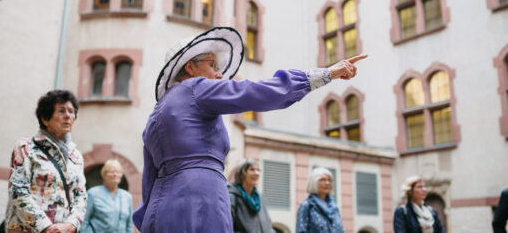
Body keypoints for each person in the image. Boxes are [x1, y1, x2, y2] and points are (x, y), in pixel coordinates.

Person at [132, 27, 367, 231]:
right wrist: (326, 74)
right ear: (191, 68)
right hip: (201, 197)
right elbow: (256, 92)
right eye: (212, 64)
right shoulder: (196, 88)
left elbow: (148, 184)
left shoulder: (155, 114)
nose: (219, 73)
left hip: (160, 209)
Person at [5, 90, 86, 233]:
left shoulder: (76, 156)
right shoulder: (26, 147)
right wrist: (45, 227)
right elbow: (17, 192)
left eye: (71, 111)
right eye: (61, 111)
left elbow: (81, 196)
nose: (68, 116)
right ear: (45, 119)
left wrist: (72, 224)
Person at [82, 159, 133, 233]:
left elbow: (129, 224)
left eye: (118, 172)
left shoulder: (127, 196)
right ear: (104, 175)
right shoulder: (93, 193)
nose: (115, 174)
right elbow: (84, 220)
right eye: (111, 172)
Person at [228, 158, 275, 233]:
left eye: (258, 170)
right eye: (252, 170)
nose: (257, 173)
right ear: (241, 174)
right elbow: (227, 227)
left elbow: (268, 227)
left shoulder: (260, 198)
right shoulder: (232, 196)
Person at [296, 167, 345, 233]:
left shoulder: (334, 207)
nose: (327, 183)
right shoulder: (307, 205)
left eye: (329, 180)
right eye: (323, 180)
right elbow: (301, 230)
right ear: (314, 182)